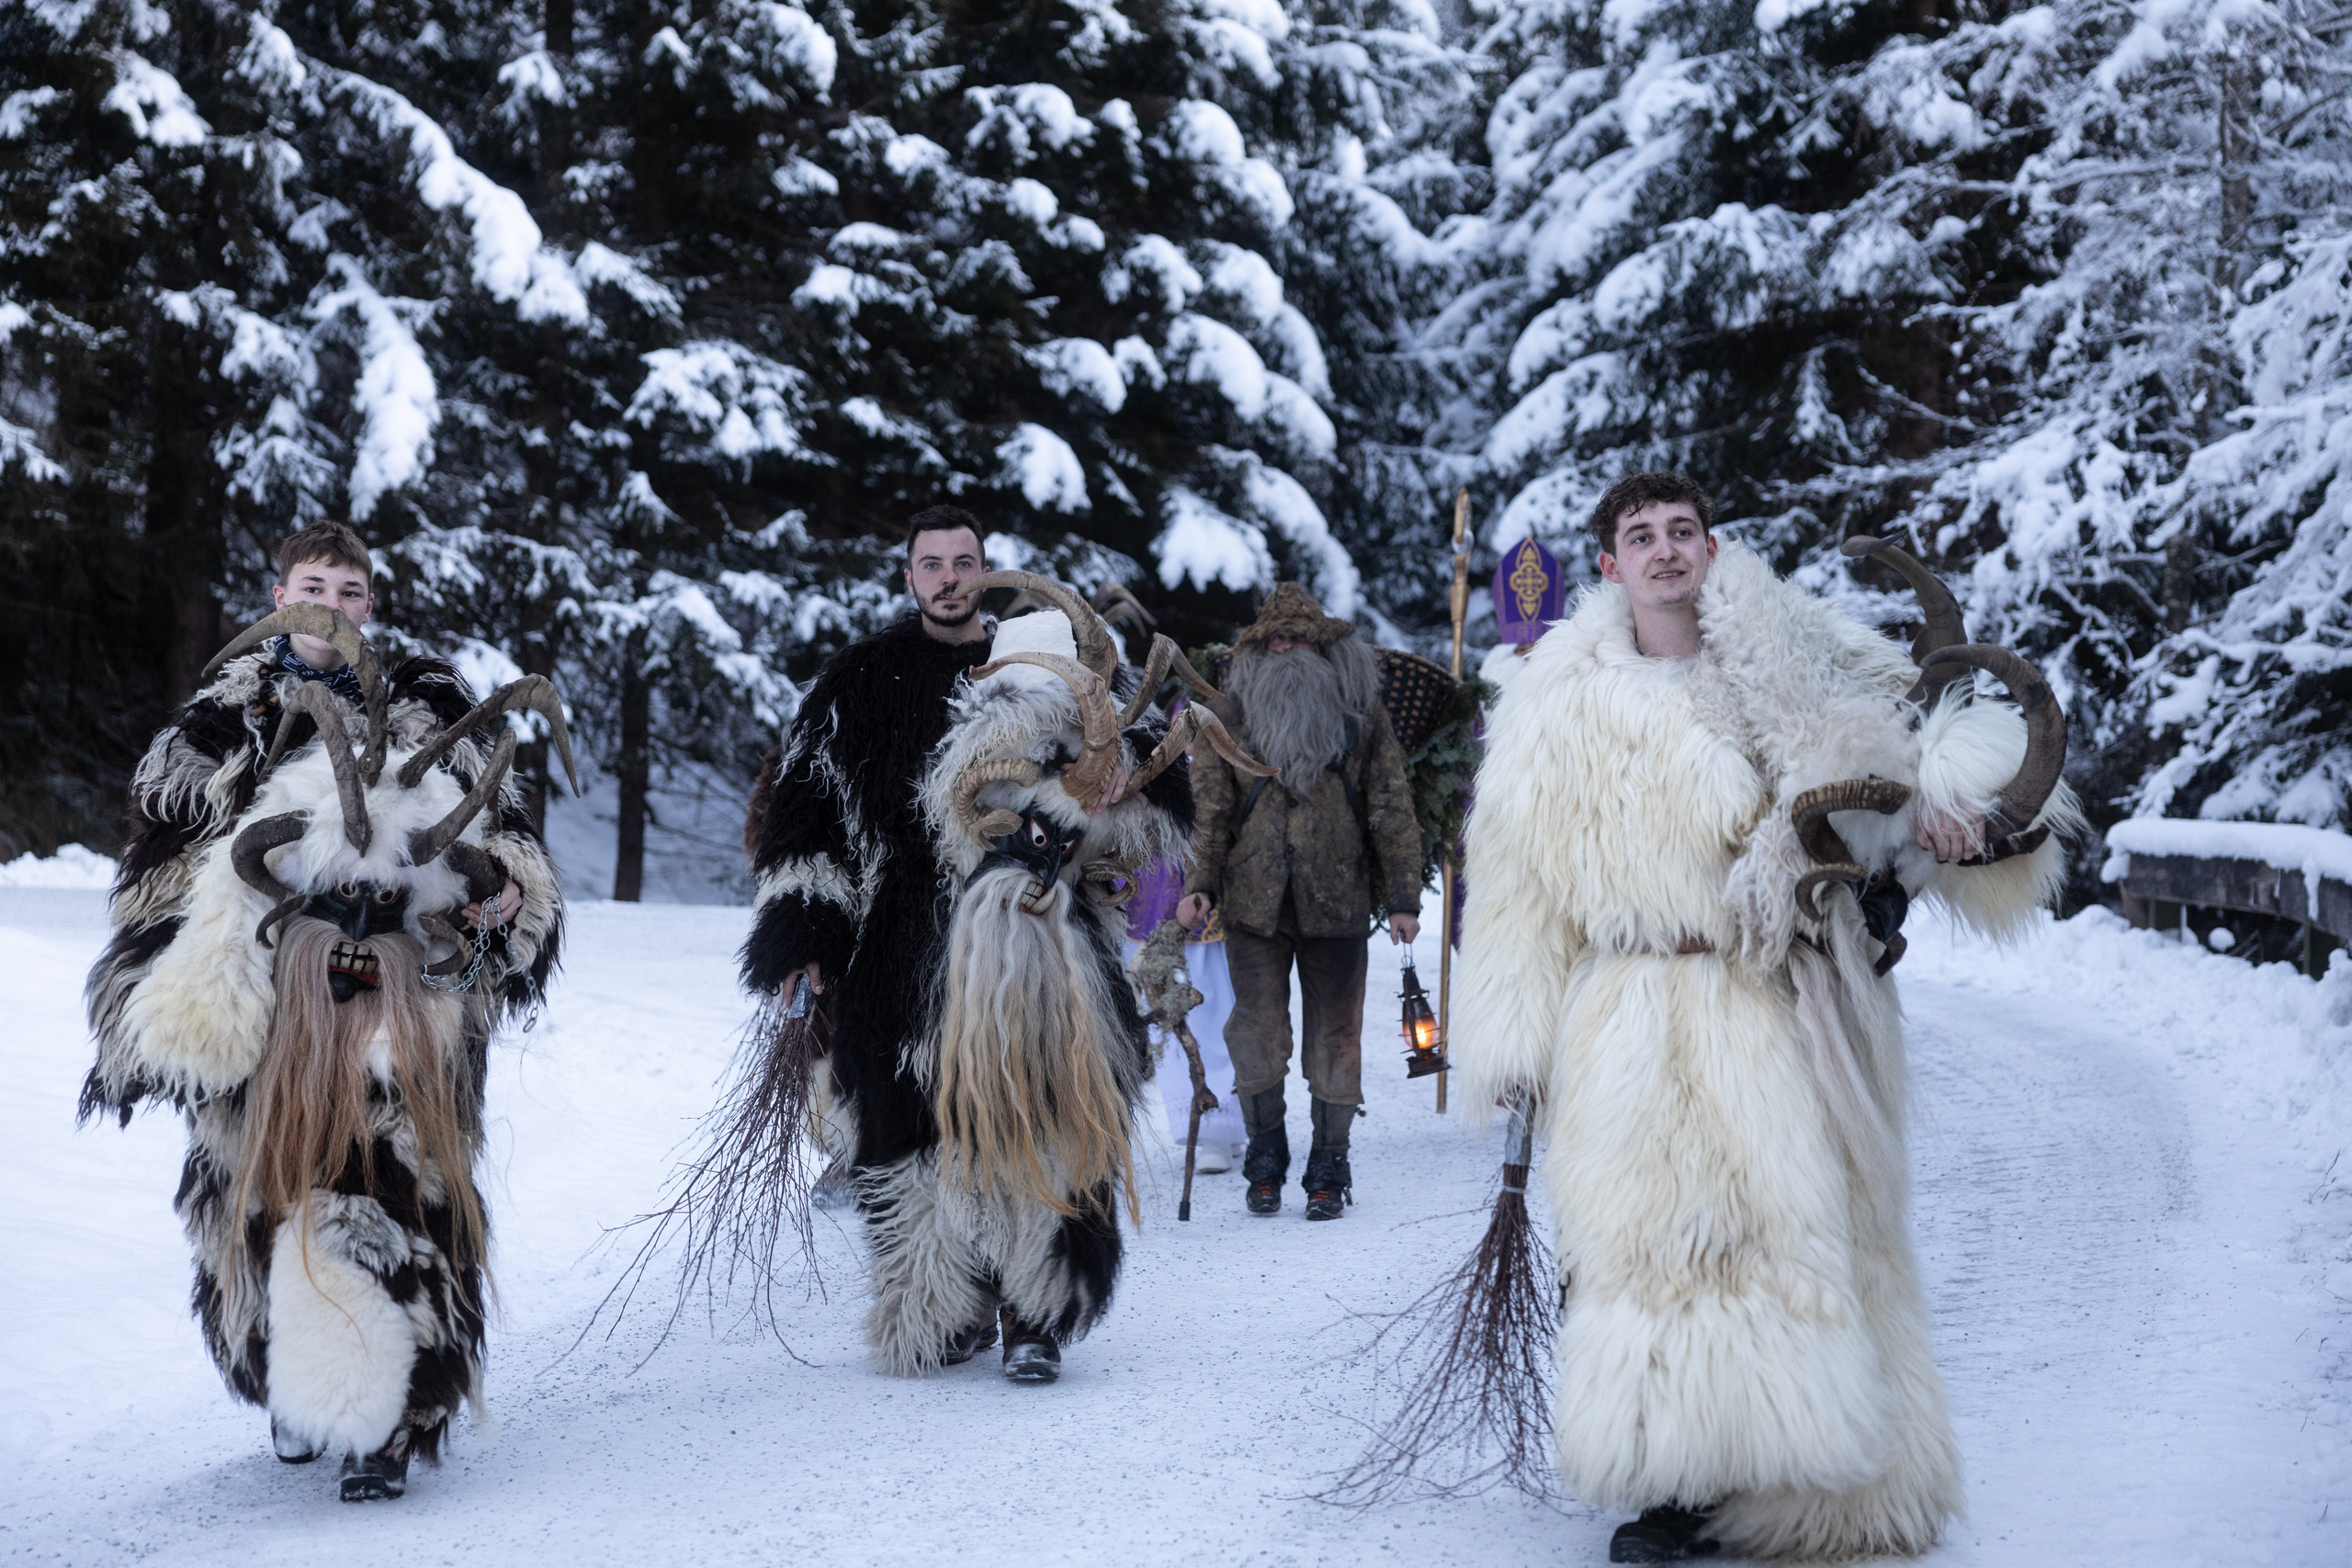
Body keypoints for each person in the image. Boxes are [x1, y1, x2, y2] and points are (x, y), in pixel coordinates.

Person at [1451, 474, 2079, 1562]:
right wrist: (1511, 1041)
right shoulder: (1552, 709)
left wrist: (1960, 823)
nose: (1663, 551)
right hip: (1632, 1013)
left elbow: (1913, 775)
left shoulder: (1806, 658)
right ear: (1608, 564)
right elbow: (1516, 894)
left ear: (1710, 545)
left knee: (1807, 1232)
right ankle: (1677, 1484)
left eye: (1681, 531)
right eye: (1640, 537)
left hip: (1790, 997)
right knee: (1653, 1247)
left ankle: (1826, 1477)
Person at [81, 521, 563, 1501]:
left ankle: (392, 1416)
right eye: (312, 587)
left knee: (398, 1183)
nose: (329, 607)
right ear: (280, 596)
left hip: (407, 991)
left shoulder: (435, 706)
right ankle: (299, 1387)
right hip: (268, 992)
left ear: (369, 604)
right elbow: (160, 865)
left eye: (347, 593)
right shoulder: (217, 725)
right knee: (265, 1185)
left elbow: (507, 831)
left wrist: (507, 890)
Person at [740, 514, 1192, 1382]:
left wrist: (1104, 794)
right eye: (932, 564)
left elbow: (1148, 774)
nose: (949, 578)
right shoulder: (856, 681)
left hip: (1041, 937)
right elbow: (805, 820)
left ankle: (1036, 1312)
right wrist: (801, 936)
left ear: (987, 572)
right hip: (899, 952)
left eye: (965, 562)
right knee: (909, 1125)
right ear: (909, 576)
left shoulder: (1044, 662)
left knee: (1046, 1115)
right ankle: (946, 1304)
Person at [1178, 584, 1422, 1221]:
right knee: (1255, 1035)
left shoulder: (1360, 716)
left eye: (1297, 638)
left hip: (1337, 900)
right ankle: (1265, 1160)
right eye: (1273, 639)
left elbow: (1391, 806)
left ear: (1322, 646)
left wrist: (1403, 896)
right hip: (1253, 905)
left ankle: (1330, 1165)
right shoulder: (1227, 717)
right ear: (1257, 648)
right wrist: (1198, 884)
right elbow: (1211, 811)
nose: (1285, 648)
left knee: (1337, 1039)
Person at [1125, 852, 1244, 1171]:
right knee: (1163, 1008)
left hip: (1194, 859)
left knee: (1211, 999)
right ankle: (1207, 1126)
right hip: (1144, 870)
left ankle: (1219, 1124)